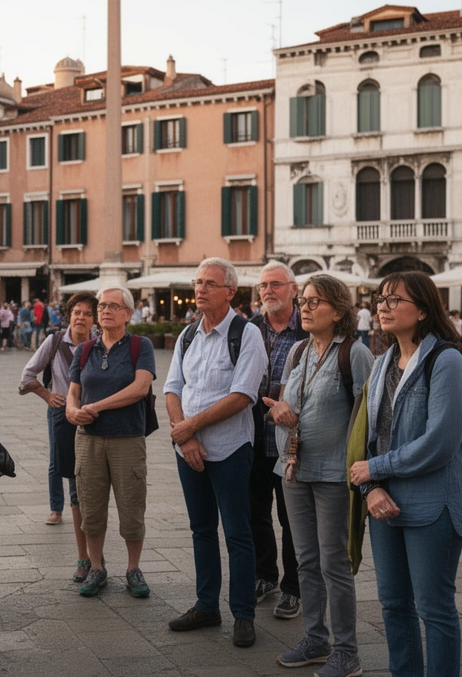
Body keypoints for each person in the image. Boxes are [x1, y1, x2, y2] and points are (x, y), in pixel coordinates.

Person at [349, 272, 462, 677]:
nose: (382, 307)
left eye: (393, 300)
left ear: (423, 310)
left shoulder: (446, 361)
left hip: (433, 502)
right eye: (380, 299)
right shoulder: (383, 361)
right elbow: (369, 436)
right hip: (384, 501)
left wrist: (377, 469)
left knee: (434, 608)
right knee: (392, 604)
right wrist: (370, 487)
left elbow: (439, 441)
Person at [269, 274, 373, 677]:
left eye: (316, 302)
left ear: (339, 311)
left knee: (334, 563)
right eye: (305, 301)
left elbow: (370, 417)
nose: (306, 308)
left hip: (334, 473)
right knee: (305, 560)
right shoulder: (297, 352)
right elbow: (283, 403)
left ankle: (347, 652)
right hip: (292, 469)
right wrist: (277, 411)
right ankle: (316, 638)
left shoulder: (355, 354)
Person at [165, 258, 267, 649]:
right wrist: (183, 435)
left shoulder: (247, 334)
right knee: (201, 529)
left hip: (230, 449)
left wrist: (191, 426)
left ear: (230, 292)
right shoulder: (187, 335)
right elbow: (173, 388)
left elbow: (243, 396)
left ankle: (243, 613)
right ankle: (206, 605)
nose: (200, 289)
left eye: (210, 283)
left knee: (238, 534)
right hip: (188, 449)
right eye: (197, 282)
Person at [65, 286, 156, 599]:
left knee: (132, 505)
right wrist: (72, 410)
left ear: (128, 314)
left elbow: (140, 388)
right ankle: (96, 567)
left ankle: (133, 568)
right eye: (102, 305)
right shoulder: (85, 350)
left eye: (114, 306)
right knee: (90, 506)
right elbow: (73, 390)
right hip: (88, 439)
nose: (105, 311)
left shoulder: (140, 346)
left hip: (127, 438)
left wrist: (97, 407)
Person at [248, 261, 305, 620]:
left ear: (294, 289)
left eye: (276, 284)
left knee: (292, 518)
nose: (268, 291)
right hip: (252, 437)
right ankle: (265, 575)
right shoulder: (249, 328)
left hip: (293, 441)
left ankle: (293, 588)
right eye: (263, 286)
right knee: (255, 513)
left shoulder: (309, 328)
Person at [19, 292, 96, 537]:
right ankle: (57, 507)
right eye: (77, 312)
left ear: (94, 319)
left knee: (88, 463)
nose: (81, 318)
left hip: (92, 413)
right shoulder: (54, 342)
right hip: (61, 411)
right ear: (69, 315)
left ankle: (86, 508)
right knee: (57, 460)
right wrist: (47, 395)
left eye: (87, 313)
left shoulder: (100, 343)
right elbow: (27, 376)